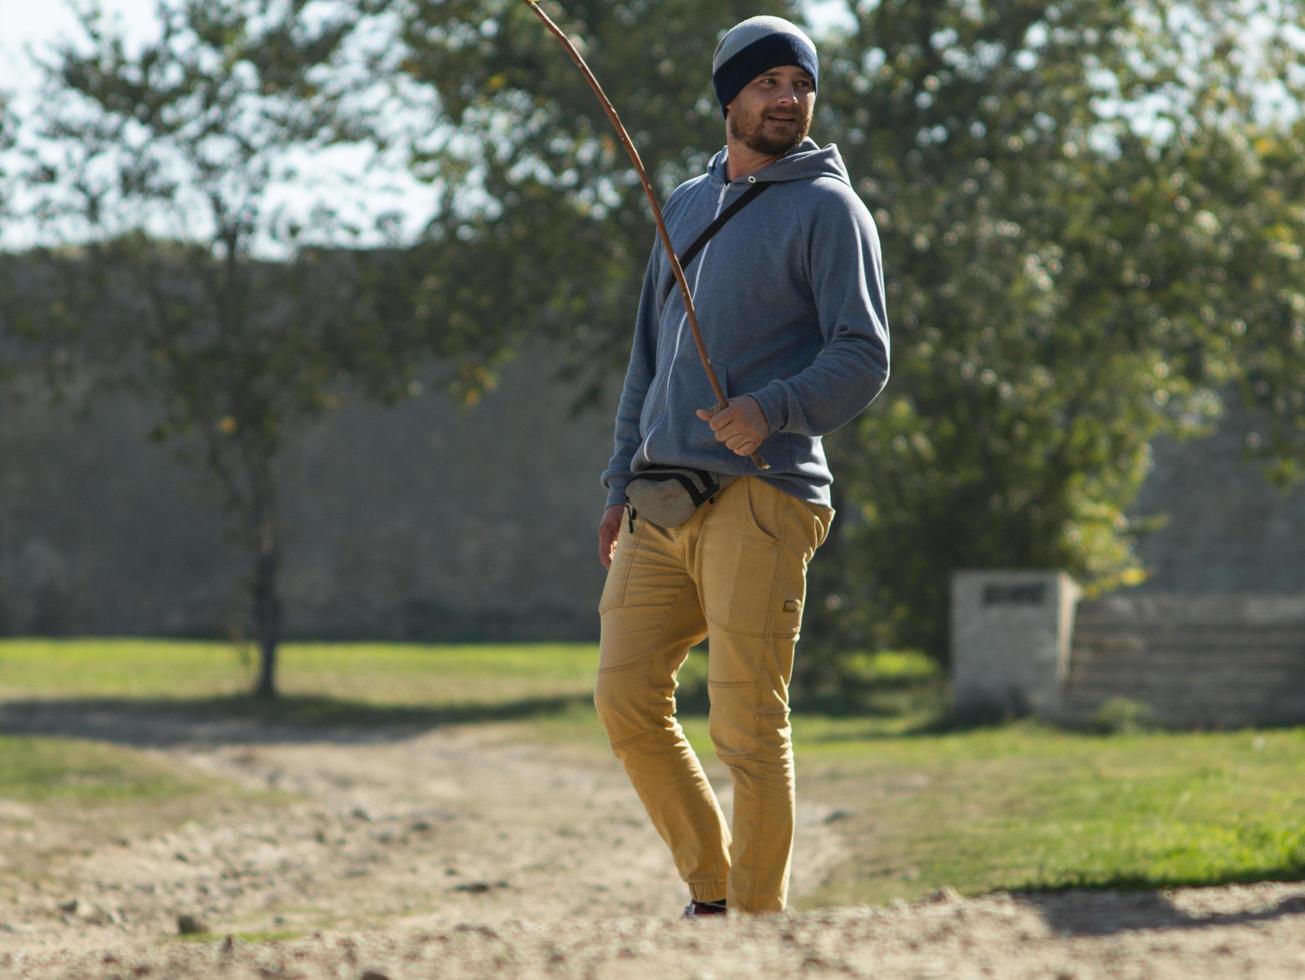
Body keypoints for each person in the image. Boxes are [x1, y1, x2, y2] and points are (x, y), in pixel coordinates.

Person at [593, 15, 890, 917]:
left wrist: (769, 409)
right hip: (659, 500)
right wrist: (616, 485)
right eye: (767, 85)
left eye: (799, 85)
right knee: (624, 699)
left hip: (764, 495)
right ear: (729, 97)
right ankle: (713, 894)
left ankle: (756, 934)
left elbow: (861, 354)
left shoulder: (829, 209)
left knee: (746, 726)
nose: (787, 100)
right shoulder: (681, 204)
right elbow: (648, 358)